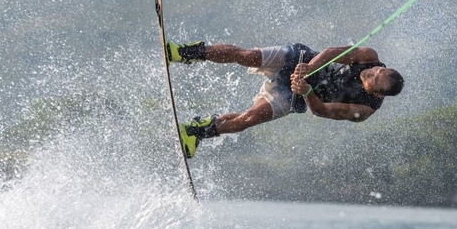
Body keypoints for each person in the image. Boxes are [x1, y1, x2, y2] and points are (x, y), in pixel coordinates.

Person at [166, 40, 404, 158]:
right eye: (375, 71)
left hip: (296, 95)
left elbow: (321, 111)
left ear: (375, 92)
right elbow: (332, 52)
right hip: (297, 60)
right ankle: (185, 52)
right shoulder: (369, 57)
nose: (369, 72)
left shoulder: (364, 109)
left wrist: (306, 91)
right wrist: (308, 68)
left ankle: (195, 131)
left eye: (371, 78)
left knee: (247, 119)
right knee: (246, 56)